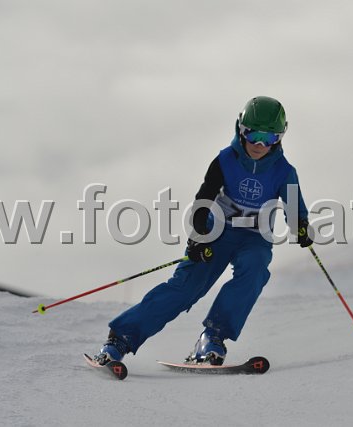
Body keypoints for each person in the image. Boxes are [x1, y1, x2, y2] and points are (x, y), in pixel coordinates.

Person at [92, 96, 313, 366]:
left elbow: (294, 209)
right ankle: (120, 339)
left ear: (279, 138)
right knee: (186, 288)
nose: (259, 144)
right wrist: (198, 238)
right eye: (253, 134)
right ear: (240, 129)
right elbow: (203, 201)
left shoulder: (284, 172)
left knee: (255, 268)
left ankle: (213, 337)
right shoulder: (225, 160)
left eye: (269, 138)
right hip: (216, 233)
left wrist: (301, 227)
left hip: (254, 237)